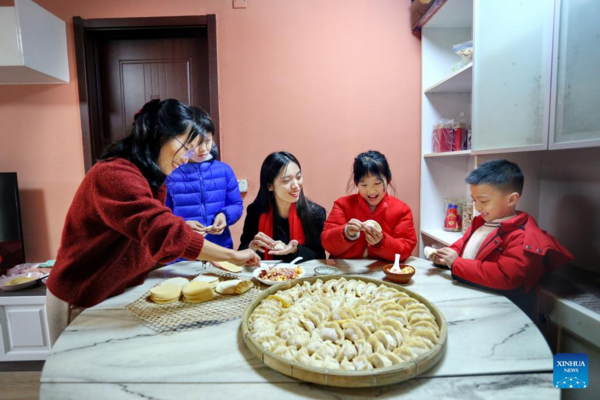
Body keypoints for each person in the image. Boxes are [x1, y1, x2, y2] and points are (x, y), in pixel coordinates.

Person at [46, 99, 260, 346]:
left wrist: (184, 231)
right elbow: (162, 231)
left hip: (114, 290)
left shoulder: (151, 177)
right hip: (82, 295)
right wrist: (231, 256)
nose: (188, 156)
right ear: (160, 135)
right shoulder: (113, 174)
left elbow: (149, 234)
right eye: (186, 147)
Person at [429, 159, 573, 317]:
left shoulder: (524, 237)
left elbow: (505, 276)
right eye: (474, 200)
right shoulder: (483, 222)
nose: (477, 207)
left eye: (483, 201)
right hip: (475, 299)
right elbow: (464, 245)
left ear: (511, 199)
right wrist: (446, 256)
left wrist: (456, 263)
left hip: (502, 312)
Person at [166, 107, 243, 258]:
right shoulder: (171, 173)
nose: (203, 149)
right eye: (197, 143)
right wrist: (184, 226)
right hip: (182, 253)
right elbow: (162, 215)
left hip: (219, 249)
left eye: (208, 141)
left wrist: (225, 216)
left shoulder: (224, 170)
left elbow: (236, 204)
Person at [321, 150, 417, 262]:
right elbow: (327, 243)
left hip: (382, 272)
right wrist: (346, 232)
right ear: (357, 184)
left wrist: (381, 242)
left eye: (377, 184)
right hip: (345, 273)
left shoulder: (402, 210)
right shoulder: (342, 205)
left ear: (388, 180)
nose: (371, 191)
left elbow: (405, 249)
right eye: (364, 185)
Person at [239, 152, 326, 262]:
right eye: (286, 181)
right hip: (265, 276)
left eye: (298, 177)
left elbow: (320, 258)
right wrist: (251, 247)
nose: (296, 185)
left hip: (302, 277)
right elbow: (241, 252)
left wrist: (295, 250)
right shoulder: (256, 212)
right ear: (270, 186)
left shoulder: (315, 213)